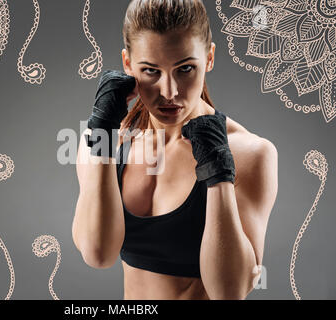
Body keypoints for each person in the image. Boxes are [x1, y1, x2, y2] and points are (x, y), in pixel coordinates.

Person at [72, 0, 278, 300]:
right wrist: (101, 134)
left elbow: (230, 292)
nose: (169, 92)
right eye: (151, 71)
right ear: (128, 64)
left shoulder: (250, 153)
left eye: (185, 69)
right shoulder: (106, 140)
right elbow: (97, 254)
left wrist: (218, 172)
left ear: (209, 58)